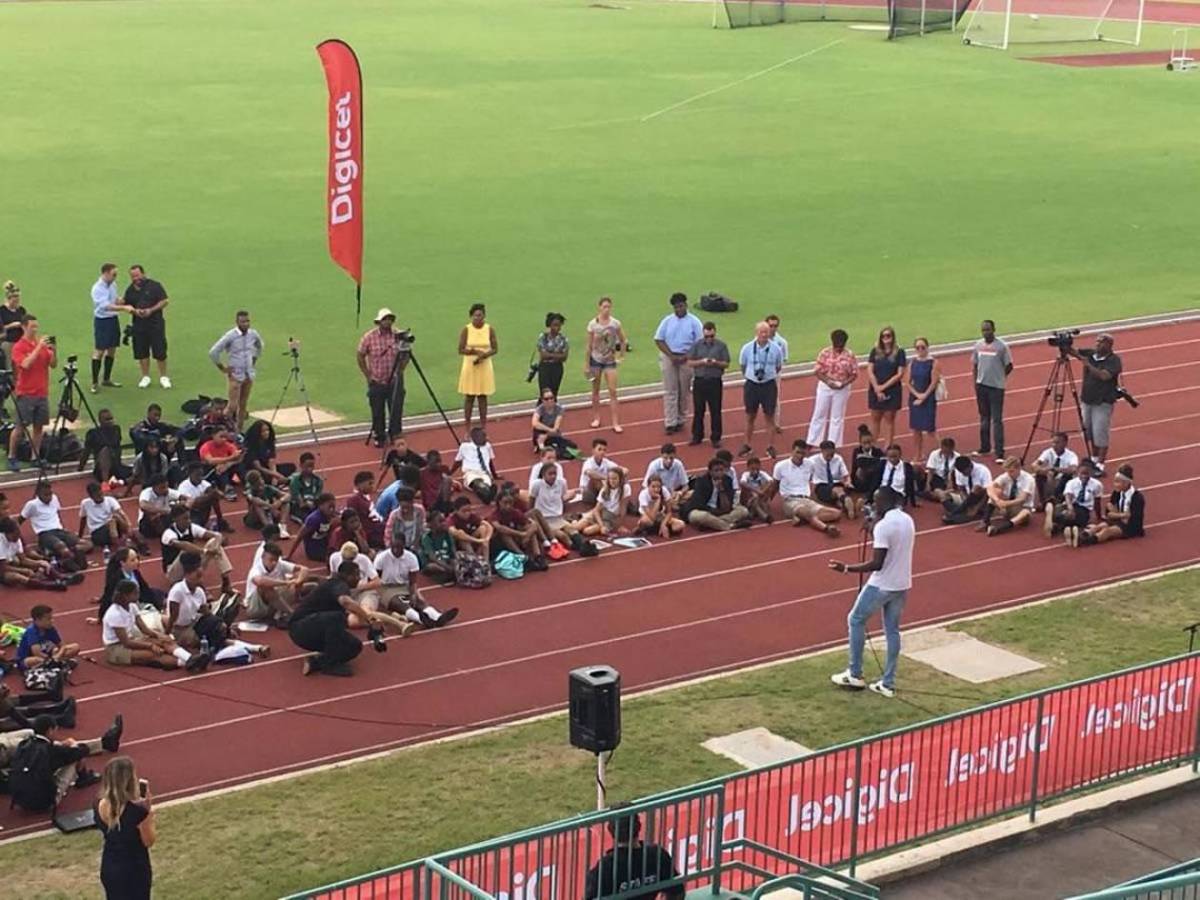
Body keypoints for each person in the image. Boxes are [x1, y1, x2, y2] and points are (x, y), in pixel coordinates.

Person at [829, 487, 916, 699]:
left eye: (876, 502)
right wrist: (872, 528)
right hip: (902, 583)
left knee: (856, 619)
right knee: (892, 630)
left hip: (882, 584)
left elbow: (877, 563)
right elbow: (891, 543)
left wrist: (847, 568)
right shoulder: (907, 519)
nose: (874, 506)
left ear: (884, 502)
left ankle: (855, 673)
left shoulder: (884, 526)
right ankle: (888, 682)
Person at [3, 714, 124, 814]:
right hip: (43, 803)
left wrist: (63, 746)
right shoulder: (50, 751)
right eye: (55, 730)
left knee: (66, 753)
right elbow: (79, 752)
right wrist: (73, 745)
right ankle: (84, 777)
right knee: (74, 756)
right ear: (50, 730)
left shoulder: (23, 745)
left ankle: (105, 743)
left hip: (19, 799)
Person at [289, 562, 392, 676]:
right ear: (347, 576)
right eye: (357, 575)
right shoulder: (338, 585)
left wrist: (372, 626)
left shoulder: (336, 586)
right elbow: (345, 602)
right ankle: (329, 665)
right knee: (337, 618)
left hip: (316, 627)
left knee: (354, 646)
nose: (359, 578)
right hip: (300, 629)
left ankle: (316, 662)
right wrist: (369, 619)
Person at [102, 580, 210, 671]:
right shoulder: (115, 614)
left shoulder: (132, 607)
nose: (138, 595)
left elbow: (145, 630)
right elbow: (126, 642)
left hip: (132, 639)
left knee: (164, 642)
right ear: (125, 596)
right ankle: (185, 663)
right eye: (135, 593)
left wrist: (160, 636)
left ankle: (189, 658)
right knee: (153, 654)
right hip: (117, 648)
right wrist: (150, 645)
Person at [584, 808, 684, 900]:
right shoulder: (658, 855)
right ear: (639, 826)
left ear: (611, 831)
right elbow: (678, 891)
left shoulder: (605, 868)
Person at [95, 756, 155, 900]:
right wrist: (149, 814)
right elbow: (149, 841)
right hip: (135, 868)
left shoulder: (99, 804)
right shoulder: (139, 812)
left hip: (110, 864)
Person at [374, 532, 458, 628]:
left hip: (403, 585)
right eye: (394, 547)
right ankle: (420, 619)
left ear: (404, 545)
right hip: (385, 587)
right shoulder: (381, 558)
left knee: (418, 601)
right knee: (399, 603)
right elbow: (376, 579)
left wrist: (413, 593)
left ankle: (437, 616)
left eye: (399, 547)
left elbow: (413, 581)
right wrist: (379, 594)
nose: (396, 550)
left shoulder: (411, 558)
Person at [356, 307, 411, 447]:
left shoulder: (398, 335)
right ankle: (379, 435)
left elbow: (407, 354)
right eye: (385, 319)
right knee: (377, 410)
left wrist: (401, 370)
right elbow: (360, 355)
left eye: (390, 319)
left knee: (396, 408)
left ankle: (395, 433)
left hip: (394, 380)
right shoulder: (369, 337)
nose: (388, 322)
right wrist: (368, 375)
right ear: (379, 321)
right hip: (377, 380)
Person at [8, 313, 55, 472]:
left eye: (36, 326)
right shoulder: (19, 347)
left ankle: (35, 457)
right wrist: (39, 348)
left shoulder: (39, 344)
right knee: (20, 427)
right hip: (26, 393)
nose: (35, 329)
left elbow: (53, 364)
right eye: (31, 327)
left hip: (42, 392)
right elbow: (25, 365)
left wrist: (54, 351)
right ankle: (12, 456)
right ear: (24, 327)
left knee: (38, 427)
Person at [653, 292, 703, 435]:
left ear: (686, 305)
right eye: (676, 307)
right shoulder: (667, 321)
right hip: (669, 357)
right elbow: (658, 339)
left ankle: (681, 418)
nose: (678, 309)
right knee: (670, 390)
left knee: (684, 390)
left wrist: (686, 356)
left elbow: (699, 342)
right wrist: (670, 355)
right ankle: (670, 422)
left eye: (681, 306)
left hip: (686, 358)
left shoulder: (694, 322)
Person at [1074, 332, 1123, 472]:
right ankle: (1094, 457)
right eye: (1097, 341)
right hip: (1087, 399)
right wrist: (1065, 346)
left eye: (1101, 342)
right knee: (1088, 430)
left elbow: (1104, 376)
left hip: (1103, 401)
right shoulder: (1091, 354)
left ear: (1109, 344)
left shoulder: (1114, 360)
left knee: (1100, 431)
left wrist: (1088, 365)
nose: (1097, 344)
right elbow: (1075, 353)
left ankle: (1100, 463)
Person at [161, 504, 235, 596]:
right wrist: (205, 551)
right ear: (175, 519)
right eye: (185, 518)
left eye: (189, 518)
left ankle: (226, 582)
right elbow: (184, 546)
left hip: (191, 564)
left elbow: (217, 535)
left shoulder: (191, 527)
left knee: (214, 543)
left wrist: (215, 547)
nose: (188, 521)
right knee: (187, 552)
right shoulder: (168, 533)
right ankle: (199, 586)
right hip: (173, 571)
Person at [773, 439, 841, 536]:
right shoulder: (780, 466)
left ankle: (803, 519)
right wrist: (766, 503)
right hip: (790, 501)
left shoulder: (810, 464)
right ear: (792, 451)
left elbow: (811, 479)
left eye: (802, 453)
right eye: (797, 452)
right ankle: (826, 528)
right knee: (805, 512)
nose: (800, 456)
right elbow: (775, 485)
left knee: (836, 514)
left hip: (807, 500)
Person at [209, 310, 263, 431]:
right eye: (242, 321)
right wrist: (222, 368)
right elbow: (213, 352)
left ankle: (239, 430)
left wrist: (254, 359)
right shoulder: (230, 336)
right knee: (232, 406)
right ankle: (221, 428)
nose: (246, 324)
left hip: (249, 373)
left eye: (247, 321)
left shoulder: (253, 334)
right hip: (235, 374)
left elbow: (260, 346)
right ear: (237, 322)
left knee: (243, 404)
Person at [737, 322, 785, 459]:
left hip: (768, 385)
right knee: (749, 416)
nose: (764, 335)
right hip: (752, 385)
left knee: (769, 417)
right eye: (761, 332)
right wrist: (751, 376)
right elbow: (743, 365)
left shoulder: (776, 349)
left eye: (766, 332)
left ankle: (770, 446)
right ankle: (746, 444)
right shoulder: (747, 348)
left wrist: (768, 374)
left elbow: (778, 366)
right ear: (756, 333)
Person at [19, 480, 92, 571]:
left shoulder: (54, 498)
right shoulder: (31, 505)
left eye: (50, 494)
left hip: (59, 531)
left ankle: (58, 554)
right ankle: (63, 556)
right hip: (45, 533)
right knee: (62, 548)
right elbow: (20, 520)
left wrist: (63, 528)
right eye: (46, 495)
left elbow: (57, 513)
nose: (49, 497)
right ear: (38, 493)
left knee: (88, 544)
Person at [807, 329, 858, 449]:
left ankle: (833, 443)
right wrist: (828, 382)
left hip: (842, 386)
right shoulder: (825, 353)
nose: (839, 347)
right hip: (826, 385)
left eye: (841, 345)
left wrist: (844, 383)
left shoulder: (849, 355)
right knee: (819, 413)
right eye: (837, 344)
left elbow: (854, 374)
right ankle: (813, 441)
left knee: (837, 416)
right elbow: (817, 371)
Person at [972, 319, 1013, 464]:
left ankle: (999, 451)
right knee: (984, 418)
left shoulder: (1001, 346)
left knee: (996, 420)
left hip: (996, 388)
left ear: (994, 329)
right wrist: (975, 382)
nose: (986, 332)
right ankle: (985, 447)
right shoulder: (978, 345)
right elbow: (975, 365)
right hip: (981, 386)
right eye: (983, 330)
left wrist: (1000, 377)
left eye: (988, 329)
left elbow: (1009, 365)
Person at [124, 264, 171, 390]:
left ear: (143, 274)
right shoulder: (130, 290)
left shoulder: (154, 286)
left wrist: (151, 310)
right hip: (139, 326)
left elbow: (164, 301)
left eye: (137, 275)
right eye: (133, 276)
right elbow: (127, 304)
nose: (135, 278)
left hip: (155, 324)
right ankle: (145, 376)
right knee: (142, 352)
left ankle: (163, 377)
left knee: (160, 351)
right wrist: (136, 311)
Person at [244, 541, 313, 627]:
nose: (274, 563)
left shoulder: (280, 564)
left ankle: (281, 611)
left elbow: (304, 569)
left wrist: (298, 581)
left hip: (275, 600)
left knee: (313, 586)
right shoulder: (256, 569)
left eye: (276, 560)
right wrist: (286, 582)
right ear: (263, 557)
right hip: (256, 607)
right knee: (266, 588)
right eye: (271, 560)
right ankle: (291, 613)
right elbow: (260, 581)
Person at [584, 297, 627, 433]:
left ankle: (615, 422)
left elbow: (623, 339)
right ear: (599, 307)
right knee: (595, 390)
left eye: (608, 307)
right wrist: (586, 364)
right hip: (596, 360)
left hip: (609, 360)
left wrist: (621, 356)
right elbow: (589, 345)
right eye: (604, 307)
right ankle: (596, 418)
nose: (606, 309)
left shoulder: (615, 323)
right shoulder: (593, 324)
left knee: (613, 391)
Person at [0, 517, 77, 590]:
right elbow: (3, 568)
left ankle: (61, 578)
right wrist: (24, 570)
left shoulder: (16, 538)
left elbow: (23, 560)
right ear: (6, 534)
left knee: (41, 565)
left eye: (18, 534)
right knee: (16, 576)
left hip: (9, 563)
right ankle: (47, 585)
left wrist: (39, 563)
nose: (17, 538)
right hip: (2, 569)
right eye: (15, 535)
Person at [1077, 464, 1145, 546]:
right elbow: (1108, 513)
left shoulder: (1137, 498)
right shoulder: (1116, 493)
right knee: (1101, 525)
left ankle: (1086, 541)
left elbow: (1130, 519)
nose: (1115, 485)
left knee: (1107, 531)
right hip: (1119, 521)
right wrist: (1121, 515)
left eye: (1118, 482)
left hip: (1131, 528)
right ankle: (1083, 534)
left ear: (1126, 483)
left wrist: (1116, 513)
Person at [687, 321, 730, 448]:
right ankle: (697, 436)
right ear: (703, 334)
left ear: (715, 333)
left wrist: (715, 362)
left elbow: (726, 363)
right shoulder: (697, 345)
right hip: (700, 381)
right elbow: (689, 362)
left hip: (715, 381)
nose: (709, 339)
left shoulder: (721, 346)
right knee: (698, 410)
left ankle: (716, 437)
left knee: (715, 411)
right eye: (707, 336)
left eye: (711, 336)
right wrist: (702, 361)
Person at [91, 262, 132, 393]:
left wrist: (122, 301)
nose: (115, 277)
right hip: (103, 321)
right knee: (100, 350)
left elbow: (114, 300)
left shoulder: (112, 285)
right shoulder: (97, 288)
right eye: (114, 274)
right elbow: (106, 305)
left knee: (112, 349)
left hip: (113, 319)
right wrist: (123, 308)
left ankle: (106, 379)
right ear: (106, 273)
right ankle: (94, 382)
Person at [458, 302, 497, 430]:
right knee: (469, 396)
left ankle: (483, 426)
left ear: (484, 316)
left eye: (480, 315)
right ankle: (467, 427)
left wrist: (484, 355)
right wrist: (475, 352)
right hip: (470, 365)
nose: (477, 318)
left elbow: (495, 348)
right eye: (475, 316)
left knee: (482, 396)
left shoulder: (489, 329)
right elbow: (461, 349)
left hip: (484, 366)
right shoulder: (467, 329)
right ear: (471, 316)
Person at [866, 326, 906, 451]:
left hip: (892, 390)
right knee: (875, 418)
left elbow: (899, 374)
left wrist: (883, 387)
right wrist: (877, 388)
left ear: (893, 337)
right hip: (875, 389)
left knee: (889, 419)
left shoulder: (899, 352)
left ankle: (888, 447)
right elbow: (870, 370)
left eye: (888, 336)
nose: (886, 338)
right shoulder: (875, 351)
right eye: (883, 336)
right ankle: (872, 447)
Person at [684, 458, 749, 532]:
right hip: (702, 511)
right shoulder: (702, 481)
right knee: (703, 516)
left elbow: (728, 506)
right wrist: (714, 512)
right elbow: (699, 504)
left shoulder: (727, 480)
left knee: (743, 511)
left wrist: (721, 490)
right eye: (716, 470)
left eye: (721, 470)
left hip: (719, 512)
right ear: (710, 472)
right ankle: (729, 526)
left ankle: (712, 524)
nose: (719, 473)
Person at [1049, 458, 1104, 544]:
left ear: (1092, 473)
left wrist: (1099, 516)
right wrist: (1070, 508)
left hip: (1083, 509)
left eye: (1087, 474)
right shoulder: (1071, 483)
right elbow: (1068, 496)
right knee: (1060, 512)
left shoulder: (1097, 485)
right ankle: (1067, 528)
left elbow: (1097, 502)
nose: (1084, 476)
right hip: (1070, 505)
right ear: (1078, 472)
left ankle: (1060, 527)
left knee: (1076, 518)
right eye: (1082, 473)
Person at [906, 336, 942, 463]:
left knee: (930, 429)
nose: (920, 349)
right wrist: (917, 395)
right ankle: (918, 454)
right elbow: (908, 382)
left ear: (927, 347)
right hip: (915, 399)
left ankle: (943, 451)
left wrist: (923, 396)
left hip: (928, 399)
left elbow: (934, 382)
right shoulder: (912, 363)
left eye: (923, 347)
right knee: (916, 429)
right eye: (917, 347)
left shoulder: (933, 363)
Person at [79, 481, 142, 554]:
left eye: (101, 494)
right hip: (98, 533)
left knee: (116, 517)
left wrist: (129, 525)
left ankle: (136, 541)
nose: (100, 497)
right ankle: (119, 547)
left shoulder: (110, 500)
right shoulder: (85, 503)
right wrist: (80, 536)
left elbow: (121, 513)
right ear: (91, 496)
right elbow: (83, 519)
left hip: (114, 528)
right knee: (112, 521)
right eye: (97, 496)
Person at [981, 457, 1037, 536]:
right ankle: (985, 521)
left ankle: (1000, 528)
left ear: (1019, 468)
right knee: (996, 491)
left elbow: (1022, 499)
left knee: (1025, 513)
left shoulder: (1028, 480)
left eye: (1011, 471)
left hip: (1020, 507)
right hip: (1006, 505)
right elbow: (990, 488)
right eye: (1007, 471)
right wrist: (997, 500)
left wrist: (1005, 504)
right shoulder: (1006, 476)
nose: (1009, 474)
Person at [529, 461, 578, 549]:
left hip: (558, 518)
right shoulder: (537, 485)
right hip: (545, 520)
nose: (553, 476)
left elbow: (562, 498)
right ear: (543, 474)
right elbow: (531, 501)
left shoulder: (562, 482)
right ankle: (573, 547)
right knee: (563, 536)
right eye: (550, 474)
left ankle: (583, 545)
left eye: (555, 473)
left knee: (573, 530)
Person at [15, 605, 79, 672]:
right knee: (37, 660)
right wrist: (52, 659)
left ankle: (52, 665)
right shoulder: (32, 632)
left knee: (75, 647)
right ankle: (53, 665)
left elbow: (62, 645)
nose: (52, 621)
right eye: (48, 619)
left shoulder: (50, 628)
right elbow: (37, 653)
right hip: (29, 658)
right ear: (38, 620)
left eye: (51, 618)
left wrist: (58, 655)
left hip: (49, 655)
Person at [80, 408, 131, 485]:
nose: (110, 421)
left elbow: (115, 445)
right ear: (100, 421)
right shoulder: (93, 434)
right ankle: (105, 483)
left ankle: (120, 482)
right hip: (101, 470)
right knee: (105, 451)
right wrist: (80, 468)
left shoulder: (116, 429)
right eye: (107, 419)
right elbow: (86, 452)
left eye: (111, 418)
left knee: (139, 472)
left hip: (117, 467)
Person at [491, 490, 547, 560]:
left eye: (510, 503)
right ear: (499, 502)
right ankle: (522, 555)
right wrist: (520, 534)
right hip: (499, 544)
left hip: (517, 540)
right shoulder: (494, 515)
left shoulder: (515, 512)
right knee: (504, 534)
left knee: (529, 529)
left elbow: (534, 524)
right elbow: (500, 528)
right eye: (505, 503)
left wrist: (527, 534)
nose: (508, 506)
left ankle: (538, 556)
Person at [450, 427, 500, 504]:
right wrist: (449, 473)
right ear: (475, 437)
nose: (486, 438)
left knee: (486, 484)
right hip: (471, 473)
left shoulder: (488, 446)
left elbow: (490, 462)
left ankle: (487, 496)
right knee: (477, 483)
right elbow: (458, 462)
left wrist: (494, 475)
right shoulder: (465, 446)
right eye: (483, 436)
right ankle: (488, 495)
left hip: (484, 473)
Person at [177, 461, 230, 532]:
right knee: (193, 530)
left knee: (214, 497)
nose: (200, 478)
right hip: (191, 514)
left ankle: (220, 520)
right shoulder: (183, 486)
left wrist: (217, 493)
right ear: (190, 474)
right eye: (197, 475)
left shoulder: (204, 483)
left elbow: (215, 494)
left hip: (203, 512)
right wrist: (209, 495)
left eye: (201, 475)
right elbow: (192, 504)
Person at [578, 468, 631, 537]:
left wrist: (620, 525)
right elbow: (596, 510)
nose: (612, 481)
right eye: (610, 479)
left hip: (609, 518)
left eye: (615, 478)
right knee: (577, 527)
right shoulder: (604, 490)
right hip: (599, 514)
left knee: (587, 531)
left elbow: (623, 508)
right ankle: (575, 520)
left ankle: (584, 519)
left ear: (620, 479)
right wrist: (602, 526)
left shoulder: (625, 488)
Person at [1032, 432, 1079, 506]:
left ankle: (1059, 498)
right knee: (1039, 475)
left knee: (1068, 476)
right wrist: (1043, 470)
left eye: (1057, 443)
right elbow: (1035, 464)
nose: (1054, 445)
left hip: (1062, 479)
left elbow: (1073, 469)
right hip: (1050, 477)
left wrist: (1055, 469)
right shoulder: (1048, 452)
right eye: (1053, 442)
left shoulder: (1071, 455)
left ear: (1065, 443)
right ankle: (1043, 500)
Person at [943, 455, 993, 525]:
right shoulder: (959, 472)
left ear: (970, 466)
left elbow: (989, 492)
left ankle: (956, 513)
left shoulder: (983, 470)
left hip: (981, 499)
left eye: (965, 472)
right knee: (944, 496)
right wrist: (966, 502)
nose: (963, 474)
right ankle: (963, 512)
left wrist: (976, 508)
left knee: (976, 488)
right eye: (962, 472)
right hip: (968, 499)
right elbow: (961, 490)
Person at [810, 440, 855, 518]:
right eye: (828, 455)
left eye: (832, 454)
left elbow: (846, 475)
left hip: (837, 483)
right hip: (822, 485)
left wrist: (848, 482)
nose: (830, 457)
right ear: (822, 451)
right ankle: (846, 500)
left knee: (838, 496)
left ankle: (844, 505)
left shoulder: (838, 458)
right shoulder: (813, 460)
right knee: (837, 490)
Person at [289, 492, 338, 562]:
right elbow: (299, 536)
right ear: (321, 506)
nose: (332, 510)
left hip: (325, 544)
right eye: (329, 507)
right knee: (336, 558)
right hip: (315, 550)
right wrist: (289, 555)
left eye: (333, 507)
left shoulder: (333, 515)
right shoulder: (314, 519)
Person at [848, 425, 885, 516]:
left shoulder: (878, 451)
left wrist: (872, 464)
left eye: (869, 442)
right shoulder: (857, 451)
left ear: (873, 441)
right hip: (861, 481)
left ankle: (868, 499)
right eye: (865, 443)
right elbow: (856, 466)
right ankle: (865, 501)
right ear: (860, 443)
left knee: (877, 473)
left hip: (873, 481)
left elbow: (883, 464)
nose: (867, 445)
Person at [242, 419, 290, 487]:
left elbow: (271, 462)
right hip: (255, 470)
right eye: (263, 431)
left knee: (290, 467)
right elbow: (258, 467)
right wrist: (276, 475)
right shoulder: (251, 446)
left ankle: (276, 481)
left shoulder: (269, 442)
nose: (266, 433)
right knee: (259, 476)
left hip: (266, 468)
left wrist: (274, 475)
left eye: (267, 430)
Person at [530, 388, 577, 458]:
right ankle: (540, 446)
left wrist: (548, 434)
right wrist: (548, 430)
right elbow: (534, 423)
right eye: (546, 399)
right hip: (541, 433)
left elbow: (556, 427)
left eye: (551, 398)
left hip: (552, 433)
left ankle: (543, 447)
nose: (550, 400)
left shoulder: (559, 409)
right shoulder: (540, 409)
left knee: (572, 446)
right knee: (553, 451)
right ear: (542, 400)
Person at [199, 427, 243, 500]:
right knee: (219, 467)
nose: (224, 439)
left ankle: (248, 484)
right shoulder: (206, 447)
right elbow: (211, 461)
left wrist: (228, 464)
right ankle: (227, 488)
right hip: (209, 472)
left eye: (225, 437)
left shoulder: (228, 445)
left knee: (239, 465)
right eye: (221, 437)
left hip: (225, 469)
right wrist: (230, 458)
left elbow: (238, 457)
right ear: (213, 436)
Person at [346, 470, 386, 549]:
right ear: (359, 485)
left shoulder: (365, 497)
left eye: (373, 483)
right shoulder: (355, 499)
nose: (372, 486)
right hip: (372, 534)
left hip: (378, 529)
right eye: (370, 483)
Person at [579, 437, 624, 507]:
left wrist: (620, 474)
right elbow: (590, 473)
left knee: (618, 477)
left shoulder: (606, 462)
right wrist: (607, 478)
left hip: (602, 490)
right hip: (588, 493)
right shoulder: (588, 463)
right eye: (599, 449)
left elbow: (623, 469)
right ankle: (610, 500)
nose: (602, 452)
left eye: (604, 450)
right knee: (596, 480)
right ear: (593, 451)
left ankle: (618, 499)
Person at [244, 470, 291, 535]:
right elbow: (254, 500)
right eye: (258, 483)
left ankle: (282, 525)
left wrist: (280, 501)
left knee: (286, 502)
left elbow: (287, 495)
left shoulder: (268, 488)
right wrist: (270, 506)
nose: (261, 483)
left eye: (261, 480)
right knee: (257, 505)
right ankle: (268, 527)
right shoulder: (249, 492)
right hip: (255, 518)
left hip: (269, 513)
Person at [871, 444, 918, 509]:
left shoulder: (907, 467)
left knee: (896, 510)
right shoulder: (882, 464)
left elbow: (910, 484)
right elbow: (875, 481)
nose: (892, 459)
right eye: (890, 457)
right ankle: (877, 507)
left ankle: (882, 507)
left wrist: (913, 502)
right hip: (883, 492)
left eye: (895, 456)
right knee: (879, 494)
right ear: (887, 456)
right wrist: (869, 498)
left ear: (900, 455)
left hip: (898, 494)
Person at [637, 474, 684, 538]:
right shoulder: (643, 495)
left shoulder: (664, 491)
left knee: (680, 524)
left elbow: (669, 512)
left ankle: (658, 529)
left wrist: (663, 524)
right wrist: (658, 499)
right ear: (648, 486)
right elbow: (652, 516)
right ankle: (648, 529)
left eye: (658, 487)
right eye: (653, 487)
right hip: (648, 517)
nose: (656, 489)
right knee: (645, 521)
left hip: (661, 516)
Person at [536, 312, 569, 398]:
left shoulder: (563, 339)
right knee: (544, 393)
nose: (557, 328)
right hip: (544, 367)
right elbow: (543, 355)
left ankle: (553, 410)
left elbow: (564, 357)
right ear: (549, 325)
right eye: (555, 325)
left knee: (554, 394)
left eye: (559, 325)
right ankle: (541, 410)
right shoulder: (543, 337)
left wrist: (549, 355)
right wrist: (557, 355)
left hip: (557, 368)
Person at [136, 475, 180, 540]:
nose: (165, 489)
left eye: (167, 486)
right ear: (154, 487)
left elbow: (185, 497)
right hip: (147, 522)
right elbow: (143, 505)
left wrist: (182, 505)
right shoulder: (146, 492)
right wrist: (164, 511)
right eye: (162, 487)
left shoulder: (168, 491)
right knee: (152, 514)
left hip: (164, 518)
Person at [765, 314, 789, 431]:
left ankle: (775, 423)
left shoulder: (782, 342)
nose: (773, 328)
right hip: (760, 374)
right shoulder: (758, 340)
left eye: (775, 326)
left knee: (775, 398)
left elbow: (783, 359)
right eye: (770, 325)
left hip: (774, 374)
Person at [918, 436, 960, 503]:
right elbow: (931, 471)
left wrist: (950, 482)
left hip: (949, 480)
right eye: (944, 450)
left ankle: (937, 495)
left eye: (948, 451)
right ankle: (942, 495)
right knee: (937, 489)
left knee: (943, 493)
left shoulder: (957, 457)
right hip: (937, 478)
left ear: (952, 448)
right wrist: (928, 484)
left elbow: (956, 473)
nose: (946, 453)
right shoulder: (934, 454)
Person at [420, 511, 459, 582]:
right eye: (440, 521)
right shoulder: (427, 537)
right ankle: (444, 574)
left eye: (444, 521)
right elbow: (432, 557)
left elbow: (453, 551)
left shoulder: (447, 534)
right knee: (433, 567)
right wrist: (446, 567)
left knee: (458, 563)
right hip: (434, 563)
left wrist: (456, 562)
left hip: (447, 560)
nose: (444, 524)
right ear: (432, 524)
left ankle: (449, 573)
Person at [384, 487, 425, 553]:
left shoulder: (420, 511)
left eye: (407, 507)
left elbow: (423, 529)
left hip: (416, 547)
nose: (405, 510)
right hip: (399, 548)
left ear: (412, 502)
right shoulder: (394, 515)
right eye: (403, 507)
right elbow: (388, 535)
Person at [288, 452, 324, 523]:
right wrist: (307, 503)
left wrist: (315, 503)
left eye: (312, 466)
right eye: (307, 466)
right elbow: (299, 502)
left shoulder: (318, 480)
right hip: (298, 508)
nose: (310, 469)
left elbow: (318, 497)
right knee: (309, 520)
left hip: (313, 506)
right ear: (301, 465)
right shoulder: (295, 481)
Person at [418, 449, 455, 516]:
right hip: (431, 504)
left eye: (439, 461)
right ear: (428, 461)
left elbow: (453, 487)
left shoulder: (444, 469)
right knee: (447, 480)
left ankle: (445, 510)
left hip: (443, 500)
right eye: (436, 462)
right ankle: (445, 513)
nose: (439, 464)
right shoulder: (421, 473)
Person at [738, 456, 774, 523]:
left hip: (759, 498)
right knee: (749, 491)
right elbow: (742, 483)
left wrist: (762, 491)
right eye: (752, 469)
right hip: (749, 498)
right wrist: (757, 491)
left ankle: (753, 513)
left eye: (757, 469)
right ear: (748, 468)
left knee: (767, 488)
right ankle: (764, 516)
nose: (755, 471)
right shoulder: (746, 474)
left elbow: (771, 481)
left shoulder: (762, 473)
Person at [0, 279, 26, 360]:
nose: (17, 302)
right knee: (9, 367)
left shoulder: (21, 310)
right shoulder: (2, 310)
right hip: (7, 342)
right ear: (8, 298)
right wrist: (11, 325)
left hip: (20, 343)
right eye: (14, 300)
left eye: (18, 300)